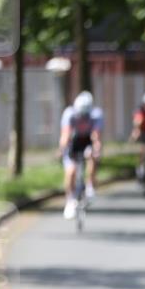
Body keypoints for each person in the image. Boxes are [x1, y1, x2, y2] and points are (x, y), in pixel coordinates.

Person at [59, 91, 104, 219]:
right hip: (73, 142)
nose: (83, 118)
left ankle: (90, 185)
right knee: (71, 171)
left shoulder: (96, 115)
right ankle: (70, 200)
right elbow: (65, 135)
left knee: (93, 156)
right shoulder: (69, 114)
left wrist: (97, 148)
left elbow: (96, 136)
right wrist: (62, 149)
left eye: (85, 115)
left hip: (87, 141)